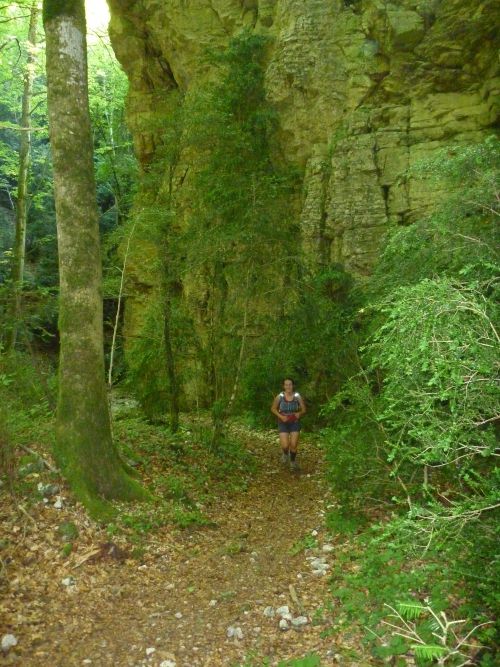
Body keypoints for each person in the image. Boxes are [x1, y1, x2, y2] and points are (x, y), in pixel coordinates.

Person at [271, 378, 306, 471]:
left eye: (290, 384)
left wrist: (299, 413)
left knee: (293, 445)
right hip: (283, 422)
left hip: (294, 422)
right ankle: (285, 453)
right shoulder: (280, 396)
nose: (288, 386)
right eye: (286, 385)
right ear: (283, 386)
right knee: (285, 446)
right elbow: (273, 408)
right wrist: (280, 416)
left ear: (293, 385)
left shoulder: (297, 396)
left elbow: (304, 409)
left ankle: (293, 462)